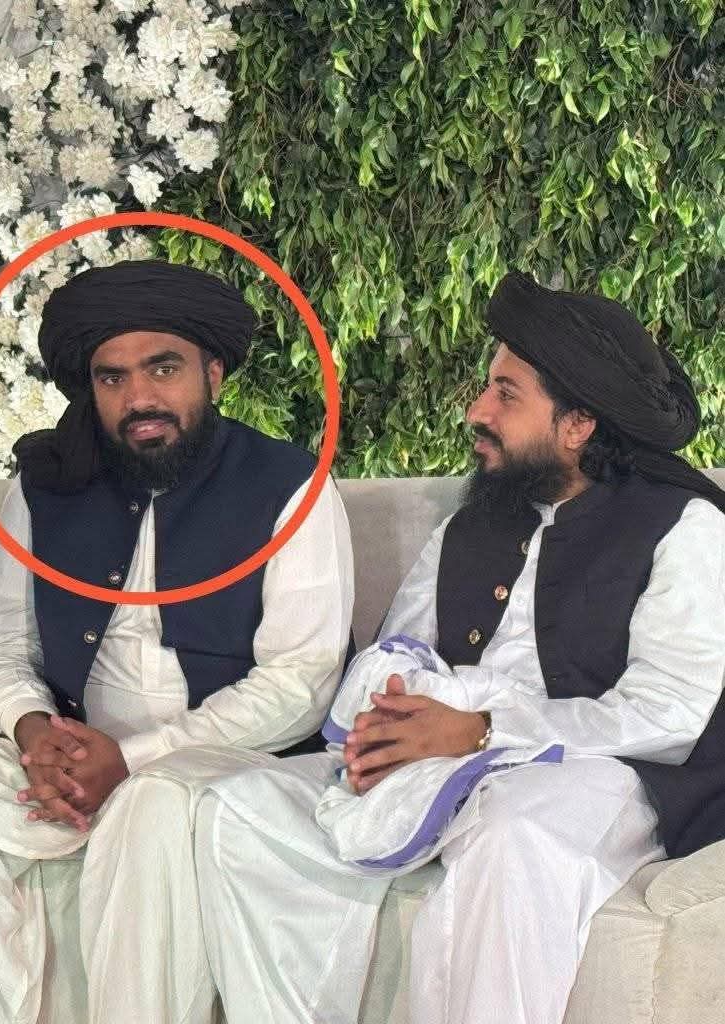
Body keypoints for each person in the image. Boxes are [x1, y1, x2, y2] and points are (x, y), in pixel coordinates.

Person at [193, 270, 725, 1024]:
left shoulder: (685, 527)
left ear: (577, 424)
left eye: (506, 394)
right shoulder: (469, 525)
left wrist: (479, 730)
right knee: (239, 809)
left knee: (512, 833)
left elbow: (668, 714)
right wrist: (389, 719)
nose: (477, 410)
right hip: (444, 753)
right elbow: (399, 648)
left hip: (605, 772)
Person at [0, 259, 354, 1024]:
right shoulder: (46, 485)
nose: (139, 397)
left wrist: (133, 757)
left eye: (163, 369)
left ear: (213, 372)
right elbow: (5, 650)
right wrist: (35, 734)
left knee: (152, 808)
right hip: (70, 754)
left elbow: (299, 682)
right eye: (112, 378)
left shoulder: (289, 485)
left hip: (228, 760)